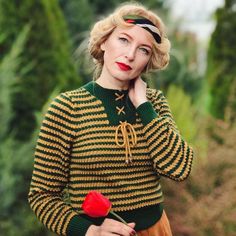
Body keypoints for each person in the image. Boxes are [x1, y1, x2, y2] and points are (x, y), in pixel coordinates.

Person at [28, 2, 194, 236]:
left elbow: (180, 168)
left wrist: (143, 106)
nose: (130, 55)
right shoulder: (67, 108)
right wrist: (87, 230)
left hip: (157, 230)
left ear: (148, 60)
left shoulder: (153, 102)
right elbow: (42, 196)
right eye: (124, 40)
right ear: (104, 41)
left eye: (143, 50)